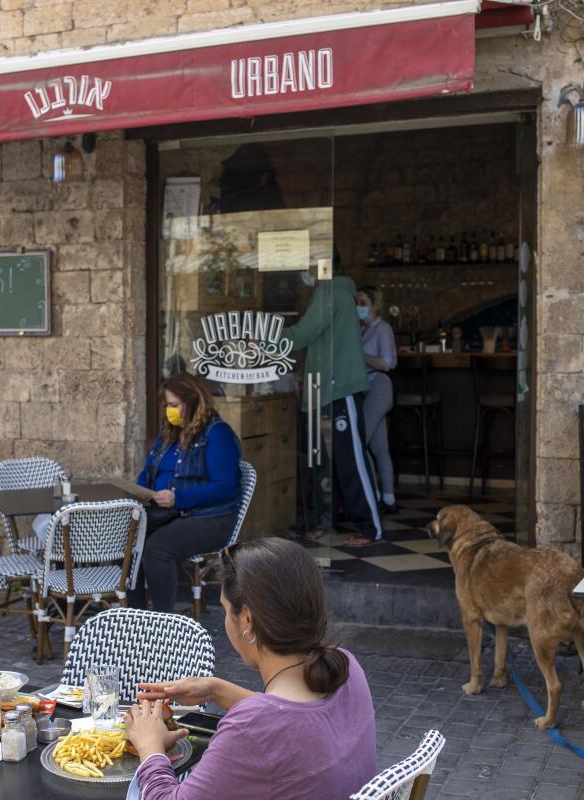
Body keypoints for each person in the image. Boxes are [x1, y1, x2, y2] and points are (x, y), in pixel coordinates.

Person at [125, 537, 377, 799]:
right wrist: (216, 689)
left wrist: (150, 746)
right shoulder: (346, 668)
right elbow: (293, 720)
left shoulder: (250, 729)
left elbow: (270, 726)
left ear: (246, 620)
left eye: (225, 609)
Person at [282, 265, 383, 547]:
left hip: (338, 389)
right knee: (327, 463)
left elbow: (304, 333)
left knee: (349, 460)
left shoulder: (329, 292)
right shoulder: (340, 292)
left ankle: (370, 527)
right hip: (325, 389)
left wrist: (265, 339)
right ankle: (326, 522)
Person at [135, 373, 240, 612]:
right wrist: (142, 490)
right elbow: (148, 470)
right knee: (127, 538)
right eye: (167, 406)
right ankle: (135, 615)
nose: (169, 411)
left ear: (192, 402)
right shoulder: (168, 433)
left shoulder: (217, 434)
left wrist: (177, 497)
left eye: (174, 405)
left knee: (157, 548)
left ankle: (165, 624)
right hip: (169, 512)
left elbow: (224, 487)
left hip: (210, 518)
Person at [356, 285, 398, 514]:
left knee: (359, 442)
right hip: (367, 388)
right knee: (379, 447)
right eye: (357, 303)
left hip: (379, 386)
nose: (358, 308)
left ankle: (374, 494)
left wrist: (360, 356)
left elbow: (388, 362)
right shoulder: (363, 330)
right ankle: (389, 500)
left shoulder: (383, 329)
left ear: (375, 305)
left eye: (363, 303)